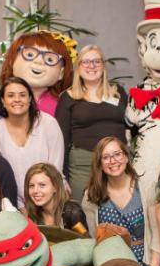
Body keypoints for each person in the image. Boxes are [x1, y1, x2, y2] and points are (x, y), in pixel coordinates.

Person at [55, 44, 133, 202]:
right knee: (83, 213)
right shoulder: (68, 97)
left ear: (103, 65)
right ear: (78, 67)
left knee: (121, 206)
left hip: (118, 163)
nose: (91, 66)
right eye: (86, 62)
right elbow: (61, 140)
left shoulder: (118, 92)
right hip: (83, 165)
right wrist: (61, 176)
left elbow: (132, 125)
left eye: (96, 61)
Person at [83, 136, 160, 266]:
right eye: (106, 157)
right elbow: (95, 241)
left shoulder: (146, 189)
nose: (113, 161)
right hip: (113, 265)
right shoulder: (91, 197)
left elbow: (158, 236)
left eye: (117, 154)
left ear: (126, 156)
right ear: (100, 164)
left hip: (146, 263)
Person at [0, 76, 64, 208]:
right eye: (11, 95)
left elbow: (56, 168)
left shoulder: (48, 123)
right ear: (3, 101)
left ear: (30, 99)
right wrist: (20, 208)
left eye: (22, 95)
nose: (17, 100)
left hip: (51, 200)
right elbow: (2, 176)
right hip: (14, 205)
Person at [23, 162, 88, 236]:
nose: (35, 191)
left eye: (42, 185)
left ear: (55, 187)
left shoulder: (72, 212)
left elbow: (86, 244)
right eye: (31, 186)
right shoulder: (32, 213)